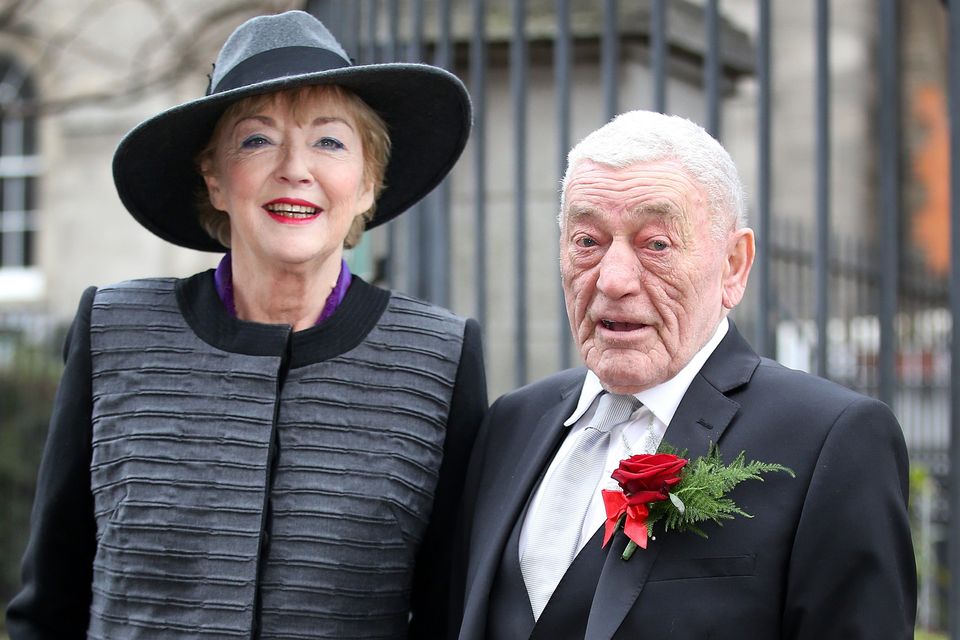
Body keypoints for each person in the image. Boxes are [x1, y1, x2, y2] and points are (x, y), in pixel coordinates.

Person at [6, 10, 486, 640]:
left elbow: (450, 615)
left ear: (368, 183)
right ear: (216, 178)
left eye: (330, 141)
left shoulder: (439, 358)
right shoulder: (113, 329)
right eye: (257, 140)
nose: (295, 167)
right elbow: (49, 605)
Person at [454, 110, 915, 639]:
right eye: (587, 241)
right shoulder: (512, 423)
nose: (614, 279)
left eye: (656, 244)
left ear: (733, 265)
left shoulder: (831, 439)